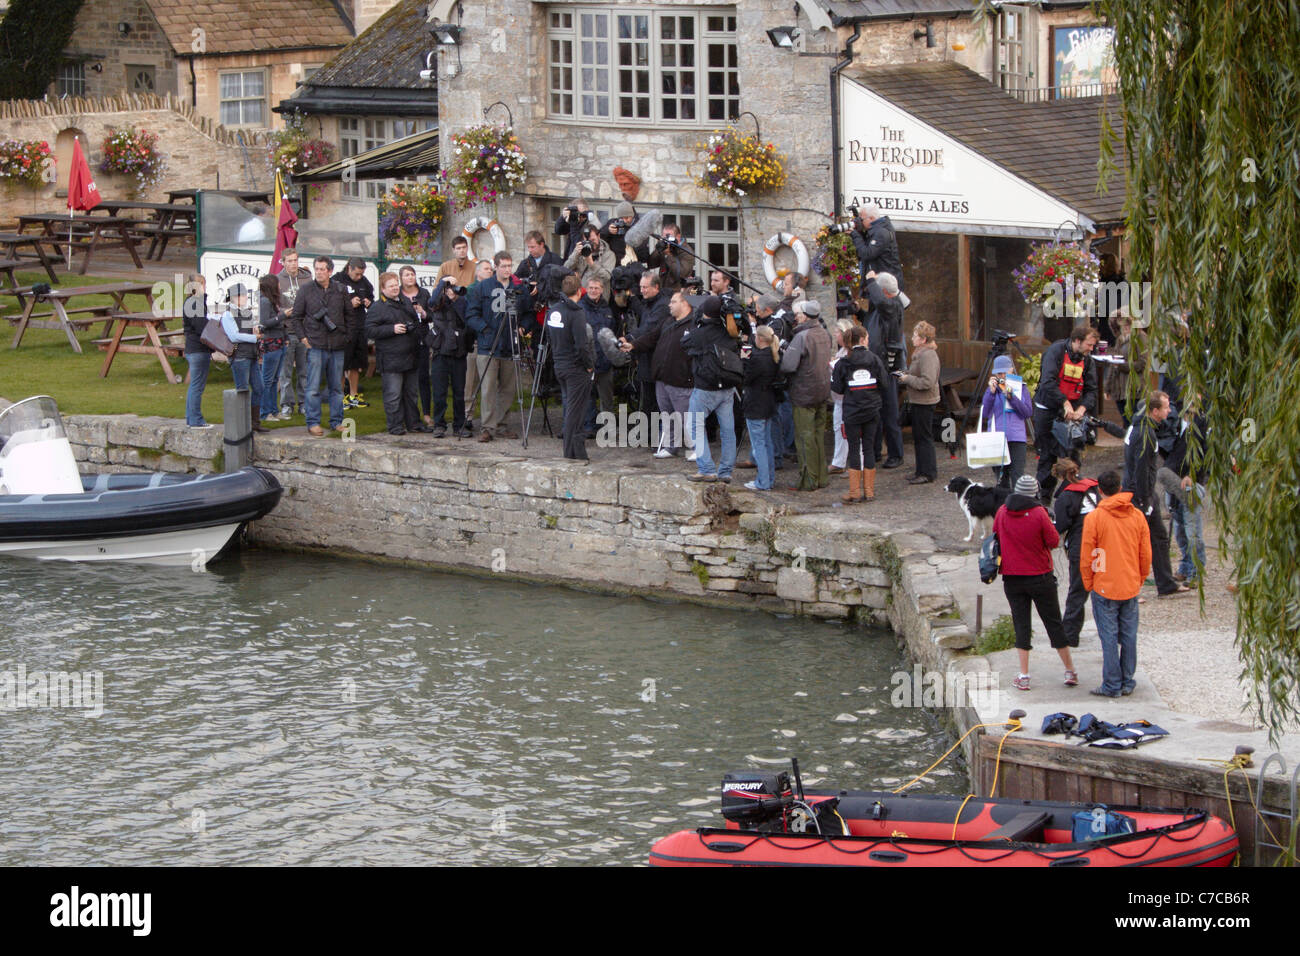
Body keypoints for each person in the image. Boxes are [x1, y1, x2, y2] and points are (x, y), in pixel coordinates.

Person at [993, 475, 1077, 691]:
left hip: (1012, 578)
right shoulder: (1039, 513)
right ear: (1035, 493)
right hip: (1040, 577)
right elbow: (1053, 541)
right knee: (1054, 623)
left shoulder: (1002, 511)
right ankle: (1069, 671)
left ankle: (1024, 675)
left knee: (1021, 625)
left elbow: (995, 534)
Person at [1080, 469, 1153, 697]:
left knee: (1109, 638)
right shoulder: (1137, 516)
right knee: (1129, 636)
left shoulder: (1095, 518)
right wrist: (1139, 577)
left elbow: (1089, 555)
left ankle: (1111, 684)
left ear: (1100, 491)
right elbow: (1145, 553)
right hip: (1129, 584)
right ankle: (1127, 681)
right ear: (1120, 488)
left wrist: (1089, 581)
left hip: (1104, 584)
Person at [1123, 390, 1191, 597]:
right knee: (1134, 542)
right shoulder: (1146, 434)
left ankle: (1166, 583)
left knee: (1159, 537)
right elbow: (1142, 470)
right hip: (1139, 495)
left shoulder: (1140, 426)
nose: (1170, 411)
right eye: (1166, 408)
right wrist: (1144, 501)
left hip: (1146, 492)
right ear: (1155, 411)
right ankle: (1129, 589)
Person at [623, 288, 695, 458]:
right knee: (667, 415)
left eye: (673, 302)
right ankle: (670, 447)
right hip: (662, 378)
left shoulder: (693, 324)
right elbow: (652, 337)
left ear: (685, 303)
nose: (669, 305)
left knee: (687, 417)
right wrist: (633, 345)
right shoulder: (668, 321)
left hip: (682, 379)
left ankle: (696, 448)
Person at [1032, 324, 1100, 501]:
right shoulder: (1056, 351)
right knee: (1047, 456)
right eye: (1089, 345)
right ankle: (1043, 500)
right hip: (1047, 410)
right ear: (1077, 341)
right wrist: (1064, 403)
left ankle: (1067, 497)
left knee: (1073, 457)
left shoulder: (1088, 361)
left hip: (1072, 414)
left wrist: (1082, 409)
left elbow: (1092, 390)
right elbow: (1047, 382)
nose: (1091, 349)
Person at [465, 251, 525, 442]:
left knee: (508, 389)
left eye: (510, 266)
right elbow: (471, 314)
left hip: (509, 345)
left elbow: (528, 311)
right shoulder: (483, 287)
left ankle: (502, 425)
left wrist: (524, 326)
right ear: (496, 267)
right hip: (488, 345)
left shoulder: (518, 288)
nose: (507, 270)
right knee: (488, 388)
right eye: (504, 266)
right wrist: (485, 330)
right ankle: (487, 427)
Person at [682, 295, 742, 483]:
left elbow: (684, 343)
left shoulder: (700, 333)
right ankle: (725, 472)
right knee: (728, 430)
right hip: (727, 388)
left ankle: (707, 469)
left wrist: (695, 321)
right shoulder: (728, 332)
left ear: (704, 313)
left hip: (705, 388)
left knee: (695, 426)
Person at [289, 255, 347, 437]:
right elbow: (296, 317)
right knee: (312, 386)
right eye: (317, 269)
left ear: (330, 271)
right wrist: (303, 338)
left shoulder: (340, 289)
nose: (319, 272)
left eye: (323, 269)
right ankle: (313, 422)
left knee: (336, 387)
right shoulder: (306, 290)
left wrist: (347, 336)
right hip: (315, 344)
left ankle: (337, 421)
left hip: (337, 344)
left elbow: (349, 316)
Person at [831, 324, 889, 504]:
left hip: (852, 410)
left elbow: (837, 388)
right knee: (869, 447)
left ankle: (854, 492)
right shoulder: (875, 359)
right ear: (863, 340)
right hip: (872, 410)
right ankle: (869, 491)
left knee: (854, 449)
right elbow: (885, 384)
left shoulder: (844, 362)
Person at [779, 299, 834, 491]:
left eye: (798, 314)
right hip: (822, 390)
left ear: (805, 316)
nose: (796, 317)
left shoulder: (802, 337)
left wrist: (783, 350)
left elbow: (788, 365)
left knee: (804, 437)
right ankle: (821, 477)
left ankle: (808, 479)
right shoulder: (825, 334)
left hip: (804, 392)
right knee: (818, 435)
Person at [366, 271, 428, 436]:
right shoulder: (377, 307)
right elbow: (369, 330)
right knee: (393, 394)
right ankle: (395, 426)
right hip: (391, 358)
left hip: (410, 355)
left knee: (411, 393)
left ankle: (413, 423)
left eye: (395, 285)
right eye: (391, 286)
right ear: (383, 289)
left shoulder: (405, 302)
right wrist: (391, 329)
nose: (394, 288)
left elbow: (415, 323)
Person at [1051, 458, 1100, 654]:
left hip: (1081, 548)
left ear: (1060, 476)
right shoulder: (1093, 489)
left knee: (1078, 591)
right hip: (1101, 546)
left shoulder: (1066, 496)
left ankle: (1070, 635)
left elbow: (1061, 525)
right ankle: (1110, 630)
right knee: (1101, 587)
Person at [861, 270, 905, 468]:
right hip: (876, 366)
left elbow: (881, 302)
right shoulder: (883, 308)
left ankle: (896, 454)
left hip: (887, 367)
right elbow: (872, 324)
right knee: (875, 412)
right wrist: (858, 312)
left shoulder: (893, 306)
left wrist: (871, 280)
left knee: (890, 412)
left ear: (885, 291)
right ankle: (876, 451)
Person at [1163, 400, 1207, 584]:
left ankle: (1197, 571)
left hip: (1190, 482)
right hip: (1172, 479)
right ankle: (1185, 566)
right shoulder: (1173, 423)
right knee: (1179, 528)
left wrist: (1193, 475)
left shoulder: (1203, 424)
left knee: (1192, 528)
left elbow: (1204, 453)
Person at [425, 278, 472, 438]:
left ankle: (459, 425)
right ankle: (439, 424)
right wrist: (442, 284)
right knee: (439, 391)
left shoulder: (462, 301)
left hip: (458, 351)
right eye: (449, 288)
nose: (452, 290)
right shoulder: (438, 301)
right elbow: (432, 302)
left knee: (459, 391)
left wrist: (455, 298)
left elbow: (465, 318)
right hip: (440, 351)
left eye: (453, 287)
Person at [896, 320, 940, 484]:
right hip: (918, 400)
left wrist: (908, 378)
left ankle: (927, 473)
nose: (912, 338)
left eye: (915, 335)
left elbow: (927, 382)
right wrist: (905, 375)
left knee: (924, 438)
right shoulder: (920, 353)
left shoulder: (928, 355)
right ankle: (920, 470)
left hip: (925, 402)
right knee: (919, 437)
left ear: (923, 339)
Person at [981, 354, 1033, 488]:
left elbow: (1027, 412)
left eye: (1005, 372)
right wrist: (991, 393)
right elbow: (985, 413)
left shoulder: (1021, 388)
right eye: (999, 373)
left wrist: (1011, 396)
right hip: (997, 438)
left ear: (1011, 370)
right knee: (1001, 477)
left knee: (1017, 476)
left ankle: (1017, 506)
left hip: (1017, 437)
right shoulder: (992, 390)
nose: (1002, 376)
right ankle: (1002, 507)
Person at [220, 283, 266, 433]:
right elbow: (234, 336)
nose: (246, 297)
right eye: (243, 295)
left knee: (259, 388)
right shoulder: (228, 315)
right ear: (235, 298)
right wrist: (255, 337)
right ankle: (243, 424)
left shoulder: (246, 312)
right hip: (239, 356)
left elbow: (249, 329)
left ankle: (254, 423)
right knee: (242, 391)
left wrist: (256, 330)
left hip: (251, 355)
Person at [742, 325, 781, 491]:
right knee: (767, 443)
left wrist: (744, 358)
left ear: (759, 339)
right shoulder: (775, 356)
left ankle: (763, 482)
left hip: (756, 403)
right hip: (768, 401)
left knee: (759, 445)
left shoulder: (757, 359)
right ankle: (768, 479)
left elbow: (746, 377)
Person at [275, 248, 312, 418]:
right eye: (289, 261)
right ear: (283, 262)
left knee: (304, 370)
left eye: (295, 260)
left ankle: (304, 403)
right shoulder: (278, 280)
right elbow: (274, 306)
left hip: (304, 331)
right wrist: (285, 312)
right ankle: (287, 404)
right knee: (286, 371)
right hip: (287, 331)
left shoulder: (306, 278)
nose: (293, 264)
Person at [580, 276, 617, 438]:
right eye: (591, 288)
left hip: (605, 359)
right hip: (587, 359)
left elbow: (613, 333)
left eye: (597, 288)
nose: (593, 291)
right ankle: (589, 426)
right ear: (586, 289)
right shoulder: (580, 308)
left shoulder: (607, 309)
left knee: (606, 396)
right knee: (588, 396)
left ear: (602, 290)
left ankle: (608, 427)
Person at [334, 258, 374, 409]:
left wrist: (369, 302)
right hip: (343, 328)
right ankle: (339, 397)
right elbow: (331, 303)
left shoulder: (364, 282)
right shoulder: (337, 280)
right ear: (349, 268)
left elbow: (371, 296)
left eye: (361, 274)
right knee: (341, 364)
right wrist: (349, 304)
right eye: (357, 274)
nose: (359, 277)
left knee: (355, 364)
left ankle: (353, 396)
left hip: (359, 326)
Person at [397, 265, 434, 426]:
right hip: (403, 341)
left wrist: (423, 312)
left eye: (412, 274)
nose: (410, 277)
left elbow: (432, 316)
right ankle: (406, 413)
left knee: (423, 377)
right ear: (401, 278)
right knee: (405, 378)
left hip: (422, 339)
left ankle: (426, 413)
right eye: (406, 275)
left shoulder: (424, 294)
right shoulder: (397, 294)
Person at [1105, 306, 1146, 427]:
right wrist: (1108, 387)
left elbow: (1142, 363)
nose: (1125, 328)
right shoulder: (1120, 339)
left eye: (1127, 325)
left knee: (1133, 420)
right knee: (1126, 419)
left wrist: (1122, 366)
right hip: (1119, 388)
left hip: (1134, 387)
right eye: (1122, 326)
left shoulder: (1140, 338)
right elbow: (1114, 365)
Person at [257, 274, 289, 424]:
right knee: (267, 380)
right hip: (271, 343)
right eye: (277, 284)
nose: (280, 286)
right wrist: (282, 316)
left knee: (275, 379)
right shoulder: (264, 301)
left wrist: (286, 337)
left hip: (280, 341)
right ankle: (265, 412)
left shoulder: (273, 301)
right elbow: (265, 322)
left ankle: (274, 410)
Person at [851, 202, 904, 291]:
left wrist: (855, 235)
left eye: (862, 219)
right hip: (879, 283)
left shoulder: (881, 233)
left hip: (886, 286)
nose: (860, 222)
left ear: (871, 218)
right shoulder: (875, 230)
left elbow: (867, 254)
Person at [182, 273, 212, 428]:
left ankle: (190, 418)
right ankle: (196, 419)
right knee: (197, 386)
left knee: (194, 385)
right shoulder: (196, 303)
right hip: (198, 349)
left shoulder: (191, 301)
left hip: (192, 348)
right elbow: (201, 328)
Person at [827, 318, 854, 476]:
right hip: (839, 398)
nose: (835, 335)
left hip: (846, 398)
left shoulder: (849, 353)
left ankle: (844, 463)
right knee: (839, 429)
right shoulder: (842, 351)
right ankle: (839, 461)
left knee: (844, 430)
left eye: (837, 332)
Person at [564, 223, 615, 299]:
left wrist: (592, 264)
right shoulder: (580, 251)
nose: (591, 243)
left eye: (593, 240)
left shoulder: (609, 254)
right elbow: (566, 268)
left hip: (598, 300)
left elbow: (607, 277)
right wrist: (575, 254)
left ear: (599, 236)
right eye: (587, 241)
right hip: (580, 297)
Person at [644, 221, 695, 294]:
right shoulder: (665, 247)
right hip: (663, 290)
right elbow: (651, 264)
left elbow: (681, 273)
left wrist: (668, 255)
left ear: (678, 236)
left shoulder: (687, 252)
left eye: (669, 237)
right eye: (664, 237)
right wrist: (658, 250)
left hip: (677, 292)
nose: (666, 240)